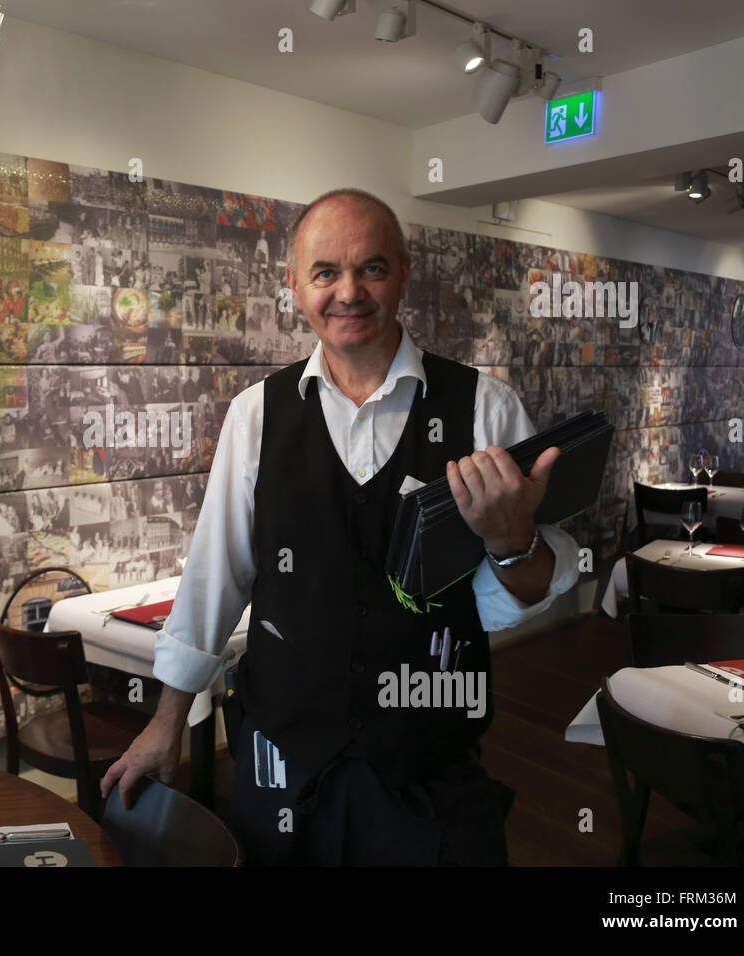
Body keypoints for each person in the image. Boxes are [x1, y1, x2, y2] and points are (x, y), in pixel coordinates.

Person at [101, 188, 579, 867]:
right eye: (325, 272)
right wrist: (166, 720)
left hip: (430, 771)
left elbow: (532, 590)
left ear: (405, 273)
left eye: (371, 268)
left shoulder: (484, 409)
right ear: (295, 286)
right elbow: (217, 576)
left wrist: (511, 544)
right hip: (281, 770)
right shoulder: (255, 416)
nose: (348, 292)